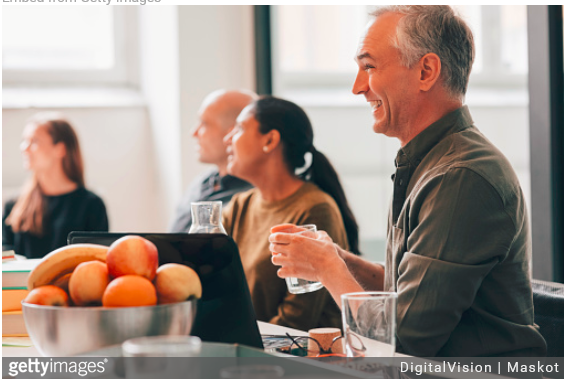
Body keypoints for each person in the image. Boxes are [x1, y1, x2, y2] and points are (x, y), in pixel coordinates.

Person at [269, 5, 547, 357]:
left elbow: (403, 340)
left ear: (426, 71)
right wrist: (339, 259)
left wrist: (327, 268)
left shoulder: (460, 176)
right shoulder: (432, 162)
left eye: (369, 67)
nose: (358, 88)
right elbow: (407, 291)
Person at [222, 96, 360, 331]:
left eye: (240, 128)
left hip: (303, 356)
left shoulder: (315, 209)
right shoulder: (239, 206)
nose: (227, 139)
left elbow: (297, 319)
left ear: (270, 140)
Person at [2, 113, 109, 259]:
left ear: (60, 149)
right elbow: (6, 254)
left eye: (34, 141)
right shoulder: (13, 204)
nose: (24, 148)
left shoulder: (92, 205)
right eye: (24, 141)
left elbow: (97, 261)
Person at [169, 89, 256, 233]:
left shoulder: (251, 199)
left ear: (234, 132)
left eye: (204, 123)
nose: (194, 132)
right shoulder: (201, 183)